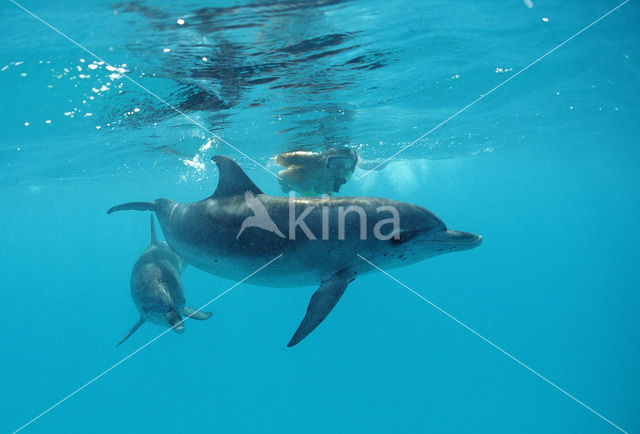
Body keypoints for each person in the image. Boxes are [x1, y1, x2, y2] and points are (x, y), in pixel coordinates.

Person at [275, 148, 358, 196]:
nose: (340, 170)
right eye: (334, 164)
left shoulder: (347, 173)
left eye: (347, 165)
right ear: (323, 163)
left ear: (353, 167)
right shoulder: (303, 176)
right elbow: (280, 176)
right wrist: (285, 187)